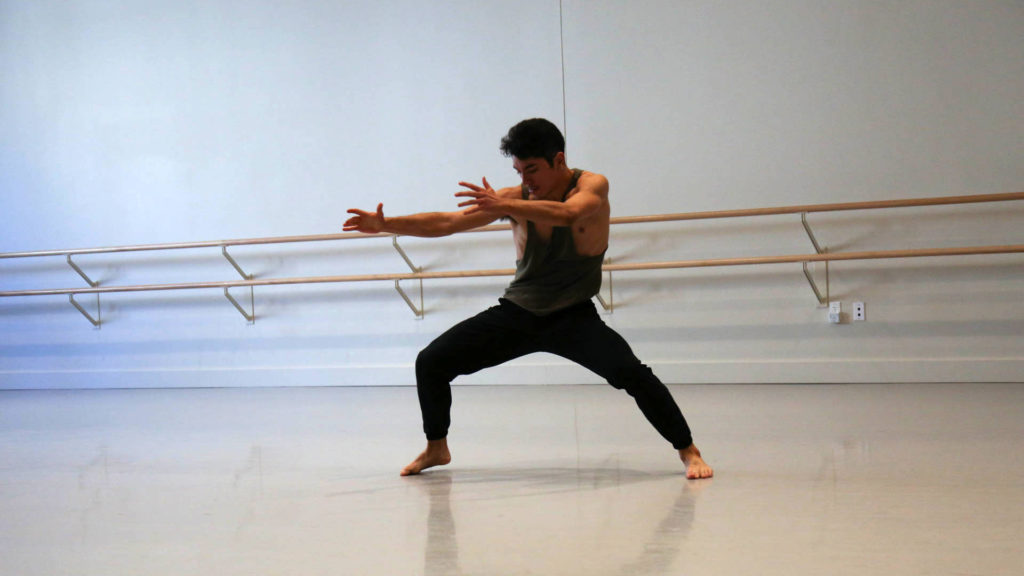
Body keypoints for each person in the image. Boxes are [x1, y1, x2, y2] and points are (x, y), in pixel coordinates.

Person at [344, 118, 713, 479]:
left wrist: (506, 206)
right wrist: (386, 223)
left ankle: (688, 450)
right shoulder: (512, 198)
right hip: (518, 312)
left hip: (573, 317)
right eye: (519, 171)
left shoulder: (591, 185)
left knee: (634, 375)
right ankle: (437, 447)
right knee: (431, 362)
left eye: (532, 169)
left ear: (559, 160)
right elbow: (447, 222)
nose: (525, 181)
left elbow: (570, 214)